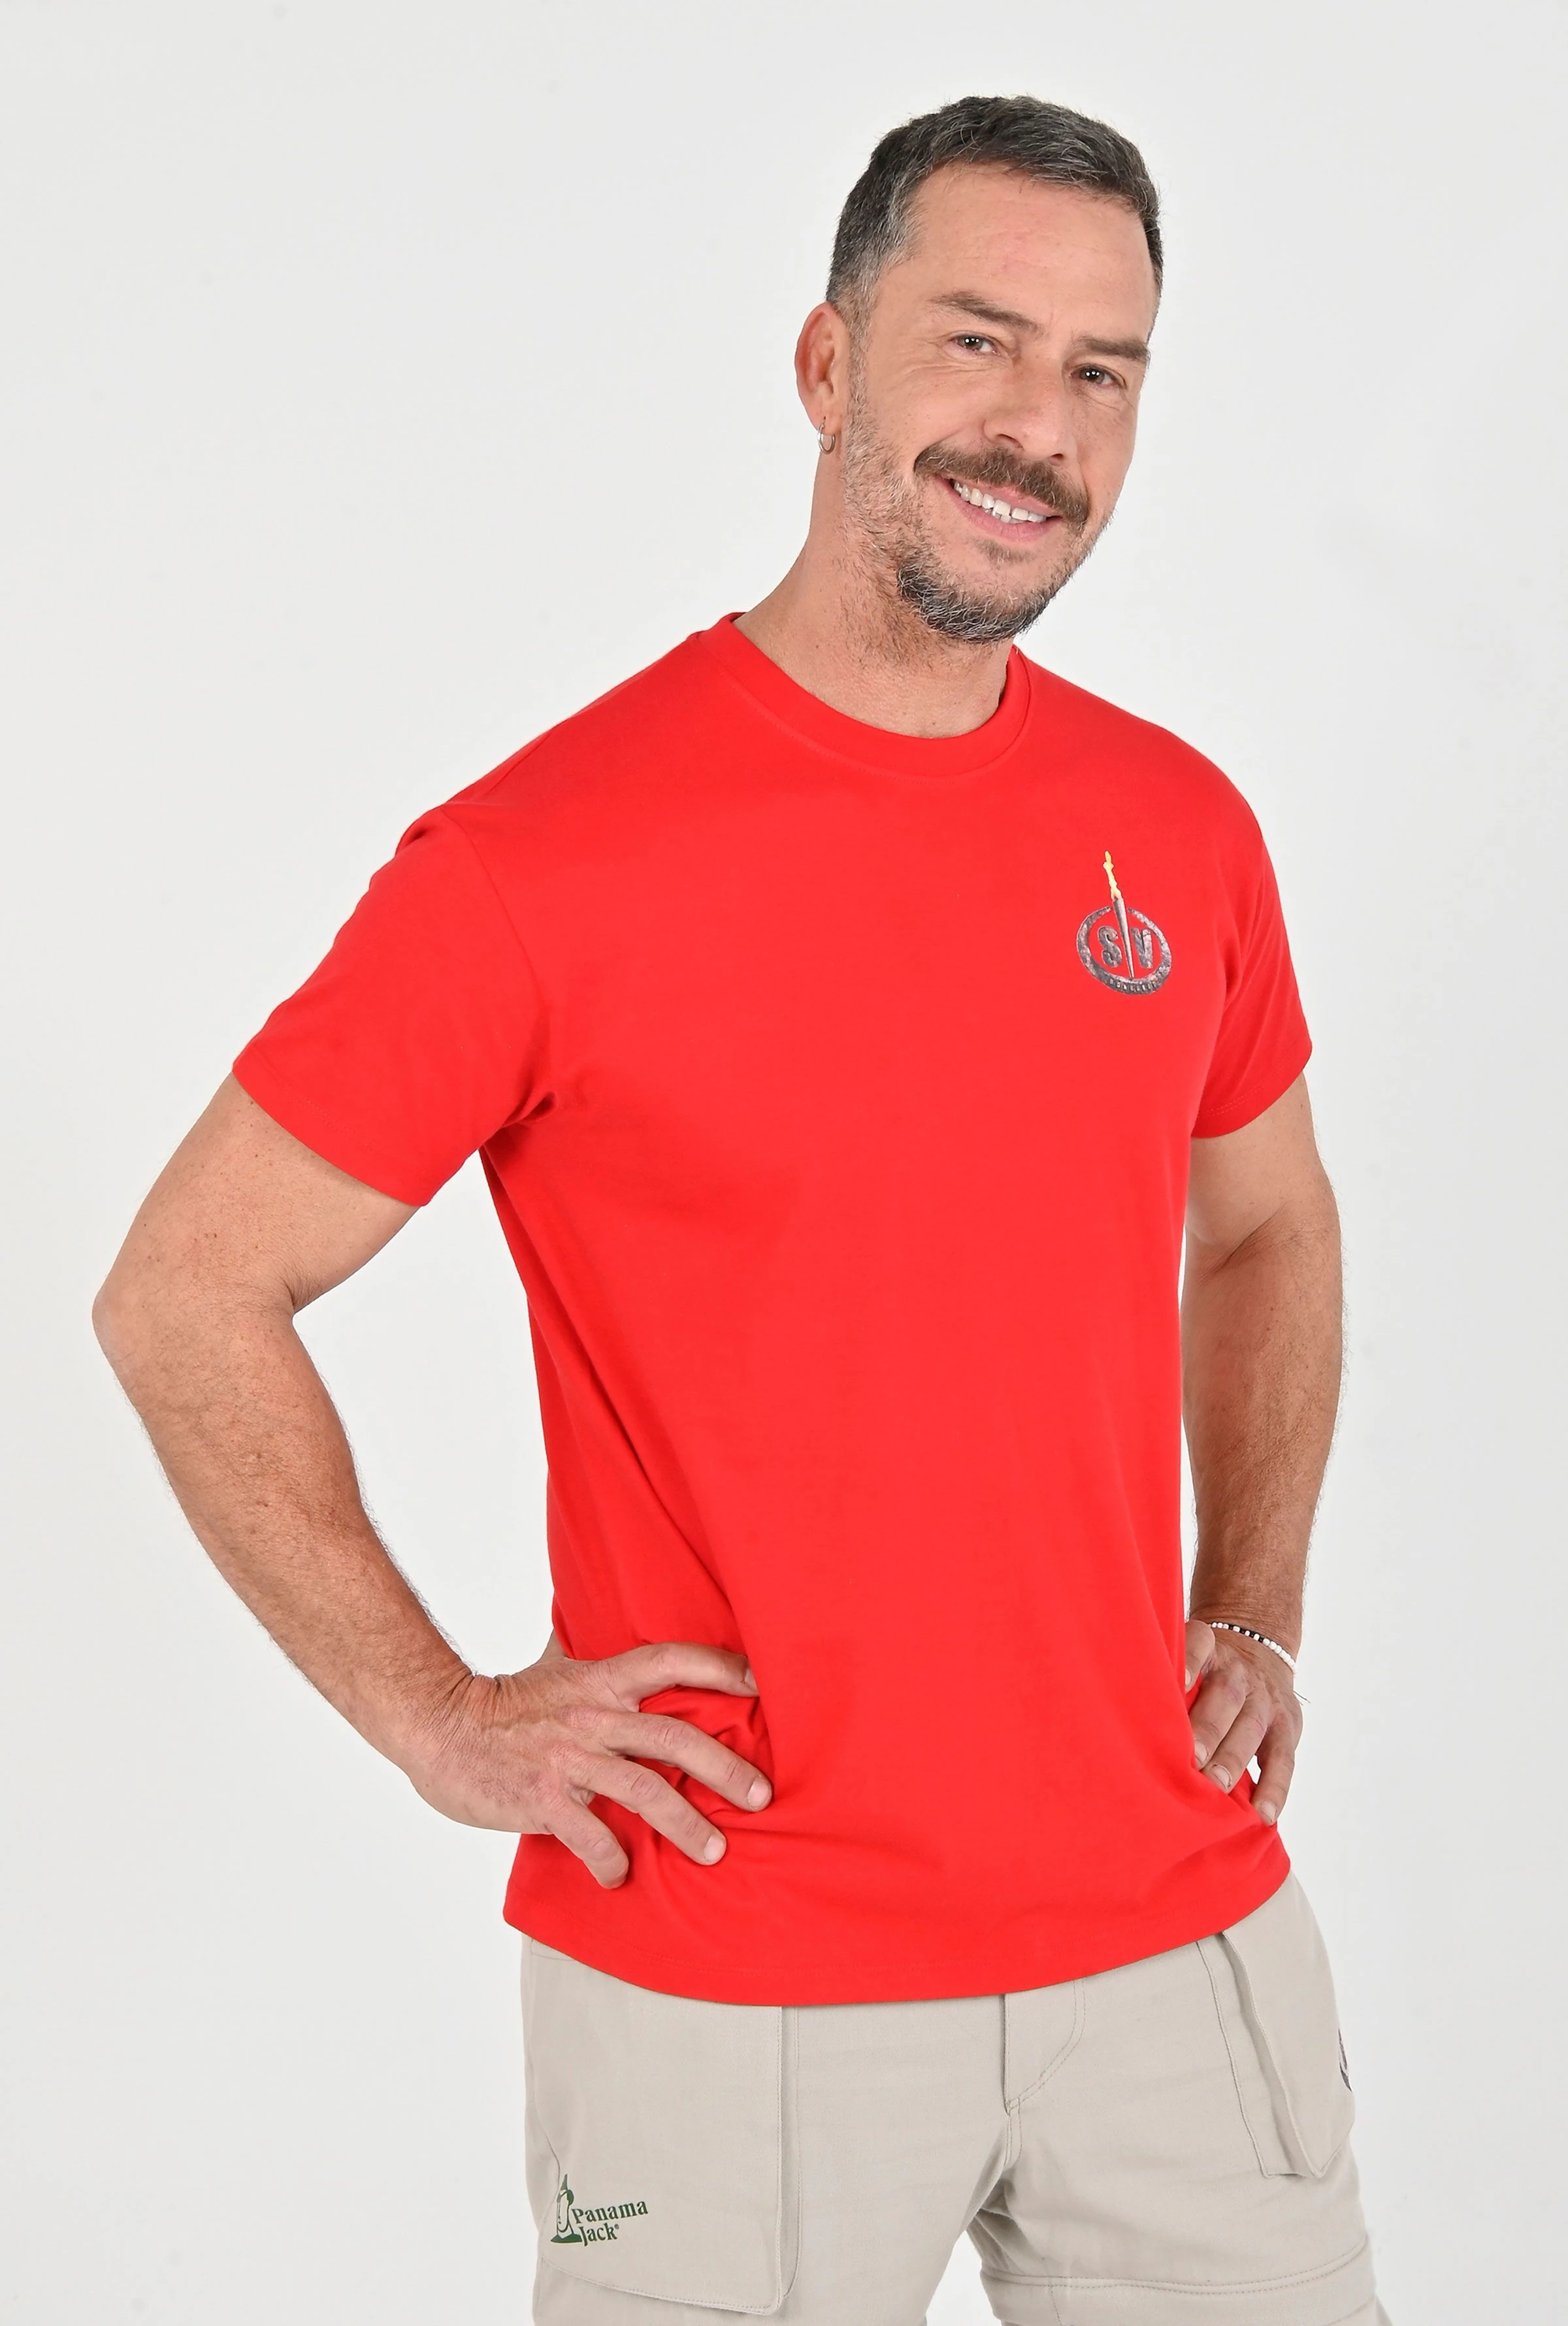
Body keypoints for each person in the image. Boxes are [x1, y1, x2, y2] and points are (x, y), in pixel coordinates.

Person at [94, 94, 1389, 2326]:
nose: (1039, 428)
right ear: (825, 366)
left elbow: (1270, 1225)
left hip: (1178, 1946)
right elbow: (187, 1292)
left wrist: (1250, 1607)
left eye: (1101, 371)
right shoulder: (538, 863)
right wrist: (440, 1719)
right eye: (976, 341)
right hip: (730, 1979)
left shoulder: (1178, 831)